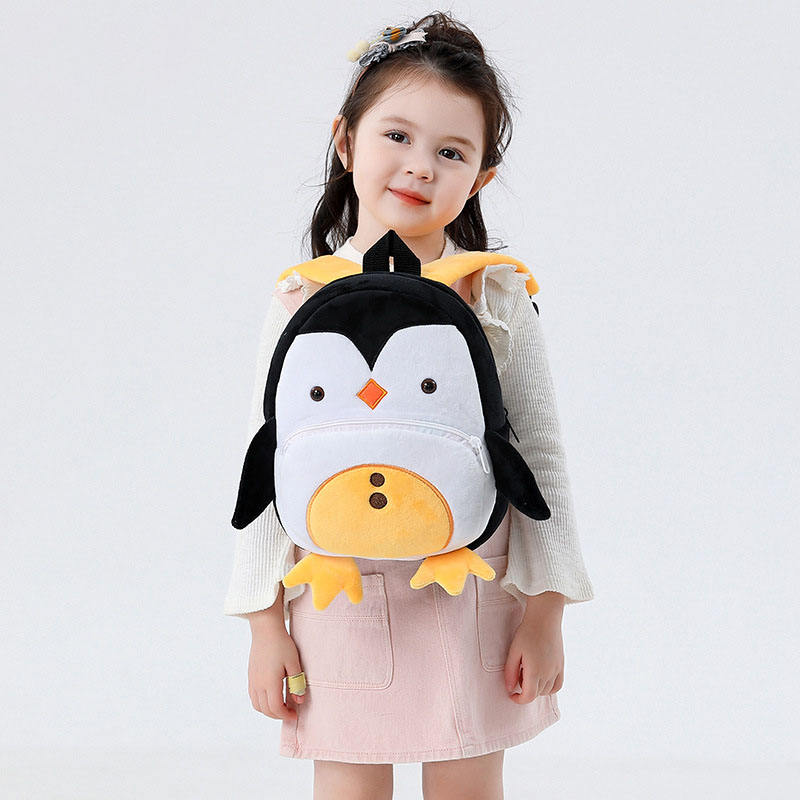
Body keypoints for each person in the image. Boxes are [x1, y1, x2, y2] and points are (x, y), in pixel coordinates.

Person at [224, 12, 594, 800]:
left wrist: (546, 609)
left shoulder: (497, 296)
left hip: (473, 594)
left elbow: (542, 456)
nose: (420, 166)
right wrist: (263, 624)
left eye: (451, 152)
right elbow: (271, 458)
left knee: (466, 781)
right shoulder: (301, 300)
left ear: (479, 179)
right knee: (350, 785)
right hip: (339, 596)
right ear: (346, 140)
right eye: (397, 136)